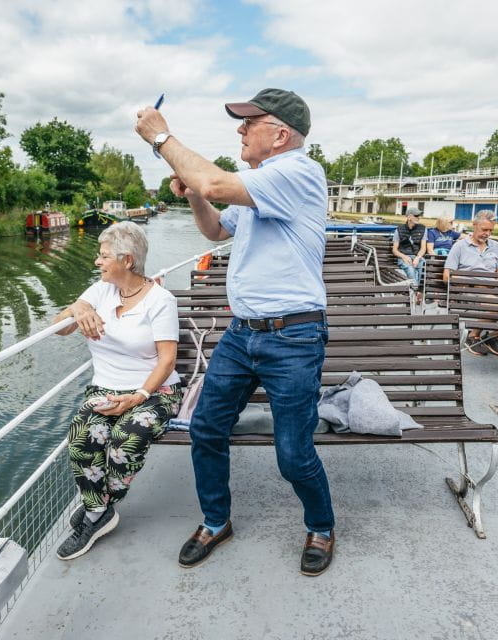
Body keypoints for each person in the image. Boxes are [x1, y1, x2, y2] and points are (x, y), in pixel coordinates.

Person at [135, 88, 336, 576]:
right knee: (206, 427)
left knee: (293, 453)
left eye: (250, 122)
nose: (240, 130)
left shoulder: (297, 173)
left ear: (281, 134)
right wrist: (195, 196)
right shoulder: (261, 183)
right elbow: (216, 230)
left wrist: (161, 137)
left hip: (293, 338)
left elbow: (216, 183)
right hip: (243, 334)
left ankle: (322, 526)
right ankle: (215, 520)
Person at [51, 221, 183, 560]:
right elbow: (58, 330)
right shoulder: (100, 290)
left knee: (127, 437)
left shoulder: (161, 300)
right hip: (105, 388)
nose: (98, 261)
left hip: (154, 391)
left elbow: (167, 361)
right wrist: (77, 308)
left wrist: (138, 396)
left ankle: (96, 511)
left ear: (127, 260)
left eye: (104, 256)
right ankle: (99, 509)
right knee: (82, 435)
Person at [443, 210, 498, 356]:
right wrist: (472, 284)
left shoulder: (496, 247)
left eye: (491, 230)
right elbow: (447, 277)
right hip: (468, 290)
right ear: (474, 225)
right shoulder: (459, 246)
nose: (487, 234)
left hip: (493, 291)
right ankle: (473, 335)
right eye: (484, 229)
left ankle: (491, 337)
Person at [392, 208, 427, 282]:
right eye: (416, 215)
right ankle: (416, 290)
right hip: (404, 257)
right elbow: (394, 250)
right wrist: (404, 257)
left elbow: (423, 248)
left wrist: (418, 258)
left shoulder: (423, 229)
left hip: (417, 256)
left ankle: (416, 290)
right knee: (410, 269)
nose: (418, 217)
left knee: (423, 267)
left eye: (419, 215)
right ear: (409, 217)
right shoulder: (399, 230)